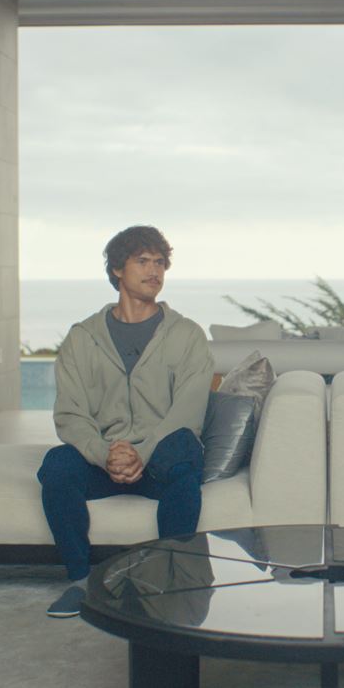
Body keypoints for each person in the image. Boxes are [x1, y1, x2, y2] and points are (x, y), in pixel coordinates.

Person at [37, 225, 214, 617]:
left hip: (161, 459)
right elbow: (70, 413)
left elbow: (187, 411)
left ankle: (172, 583)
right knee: (56, 466)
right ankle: (81, 582)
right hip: (105, 460)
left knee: (185, 453)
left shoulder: (187, 335)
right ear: (117, 269)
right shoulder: (82, 338)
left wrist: (141, 454)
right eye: (143, 261)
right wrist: (105, 454)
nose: (154, 271)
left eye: (160, 262)